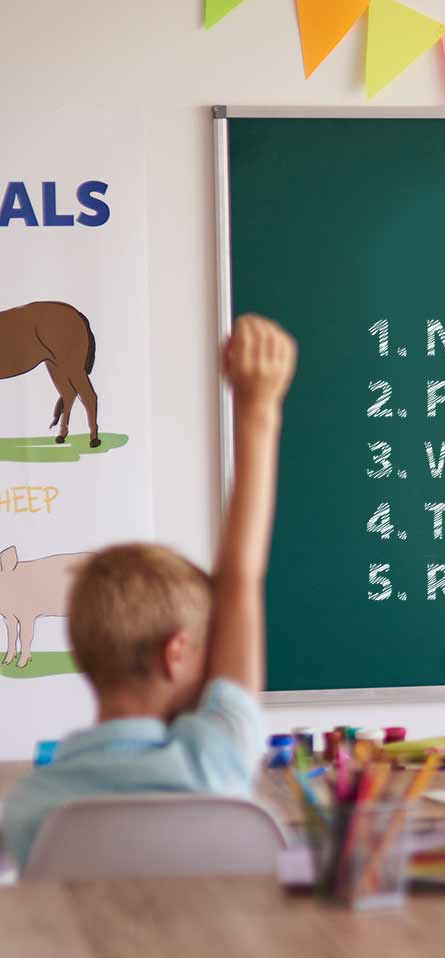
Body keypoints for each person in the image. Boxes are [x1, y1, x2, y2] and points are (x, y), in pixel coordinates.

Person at [2, 315, 296, 866]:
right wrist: (258, 409)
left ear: (86, 657)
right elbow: (240, 579)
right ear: (177, 652)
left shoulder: (28, 808)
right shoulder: (216, 758)